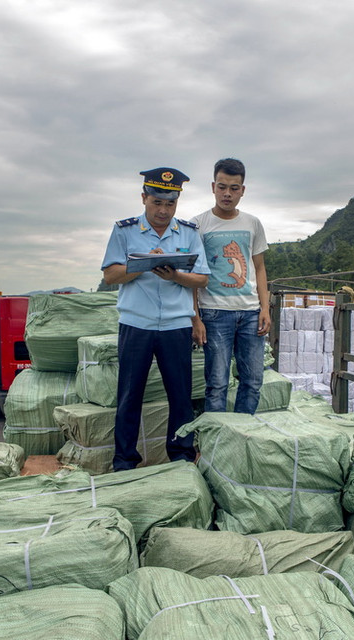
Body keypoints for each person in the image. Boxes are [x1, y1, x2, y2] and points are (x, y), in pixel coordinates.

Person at [101, 167, 210, 471]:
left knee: (180, 397)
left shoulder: (188, 232)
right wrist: (146, 263)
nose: (163, 211)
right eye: (157, 203)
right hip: (137, 325)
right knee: (129, 396)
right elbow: (110, 275)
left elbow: (201, 280)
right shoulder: (124, 231)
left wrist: (175, 274)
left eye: (170, 204)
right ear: (144, 198)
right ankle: (124, 461)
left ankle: (181, 457)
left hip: (176, 326)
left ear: (177, 202)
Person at [190, 158, 270, 414]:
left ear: (242, 190)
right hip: (214, 313)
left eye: (234, 188)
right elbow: (193, 274)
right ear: (213, 186)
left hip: (250, 313)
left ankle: (242, 438)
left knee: (253, 381)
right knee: (217, 384)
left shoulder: (253, 223)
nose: (227, 194)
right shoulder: (198, 224)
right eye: (222, 186)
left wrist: (265, 309)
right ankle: (216, 443)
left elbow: (259, 268)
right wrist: (196, 318)